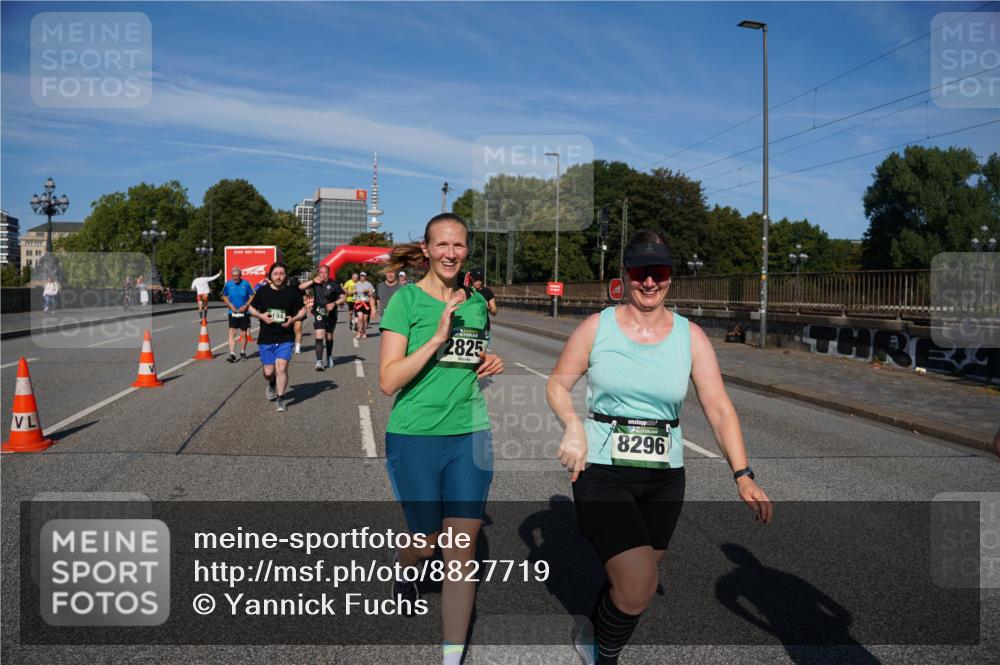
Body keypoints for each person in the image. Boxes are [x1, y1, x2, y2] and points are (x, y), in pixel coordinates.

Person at [545, 231, 773, 665]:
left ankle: (595, 630)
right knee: (637, 586)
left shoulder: (691, 336)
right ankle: (604, 654)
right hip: (602, 468)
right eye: (641, 273)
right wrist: (573, 425)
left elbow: (719, 408)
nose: (650, 282)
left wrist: (743, 475)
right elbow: (558, 384)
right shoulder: (598, 326)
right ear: (626, 276)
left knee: (637, 576)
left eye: (660, 273)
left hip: (665, 477)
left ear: (671, 277)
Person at [378, 213, 504, 665]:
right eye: (442, 245)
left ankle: (451, 659)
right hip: (414, 436)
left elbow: (466, 362)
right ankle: (405, 566)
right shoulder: (405, 302)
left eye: (459, 245)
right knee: (427, 540)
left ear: (467, 251)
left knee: (460, 548)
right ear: (427, 250)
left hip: (470, 434)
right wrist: (434, 339)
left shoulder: (474, 304)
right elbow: (389, 381)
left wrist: (488, 360)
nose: (451, 253)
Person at [248, 262, 306, 412]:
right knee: (268, 372)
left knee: (282, 367)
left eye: (281, 274)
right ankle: (271, 383)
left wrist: (292, 319)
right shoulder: (262, 291)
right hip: (266, 337)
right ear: (270, 275)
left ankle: (280, 398)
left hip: (285, 337)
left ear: (285, 275)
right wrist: (261, 315)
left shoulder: (292, 292)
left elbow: (303, 311)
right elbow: (250, 308)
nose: (279, 277)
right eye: (276, 274)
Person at [299, 265, 346, 371]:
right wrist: (312, 281)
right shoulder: (315, 283)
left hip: (331, 314)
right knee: (319, 334)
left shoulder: (334, 284)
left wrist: (334, 304)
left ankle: (329, 356)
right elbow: (300, 287)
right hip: (319, 312)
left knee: (329, 337)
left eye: (325, 272)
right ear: (318, 273)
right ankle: (319, 362)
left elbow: (343, 297)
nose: (323, 275)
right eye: (321, 272)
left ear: (328, 273)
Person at [221, 267, 256, 362]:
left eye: (237, 276)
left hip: (244, 312)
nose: (235, 277)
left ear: (240, 276)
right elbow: (223, 296)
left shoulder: (246, 284)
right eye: (234, 276)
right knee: (232, 331)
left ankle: (243, 352)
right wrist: (230, 305)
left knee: (244, 333)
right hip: (232, 312)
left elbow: (252, 295)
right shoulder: (228, 284)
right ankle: (232, 354)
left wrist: (246, 305)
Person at [353, 271, 377, 339]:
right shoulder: (357, 284)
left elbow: (372, 294)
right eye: (361, 276)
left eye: (363, 276)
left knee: (365, 319)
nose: (362, 277)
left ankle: (364, 332)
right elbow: (355, 292)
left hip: (366, 303)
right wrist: (355, 297)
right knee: (360, 318)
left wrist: (367, 291)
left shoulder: (369, 284)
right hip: (359, 303)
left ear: (365, 277)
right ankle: (359, 332)